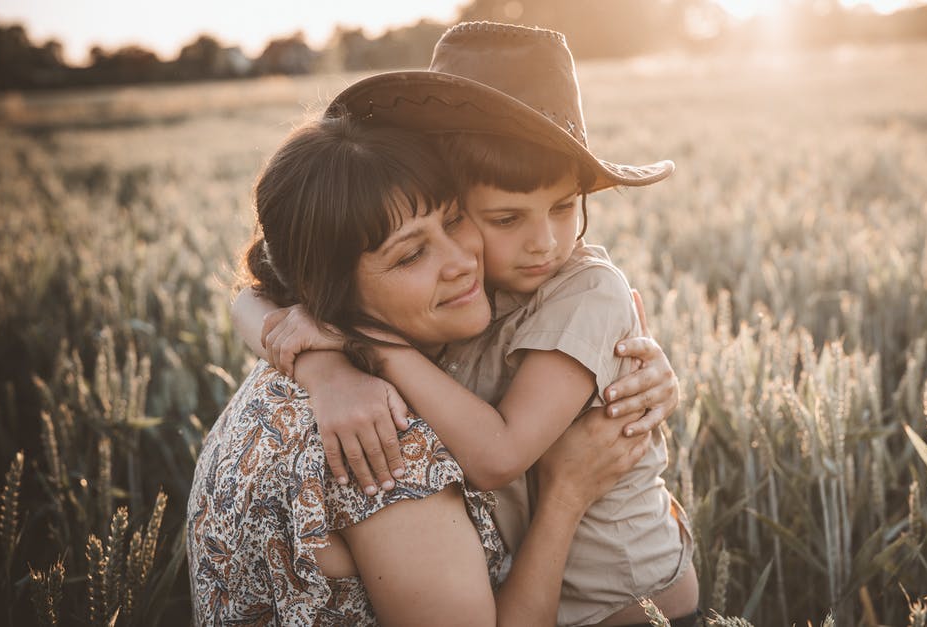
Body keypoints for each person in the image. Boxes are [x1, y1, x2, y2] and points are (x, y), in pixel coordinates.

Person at [236, 22, 699, 626]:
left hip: (629, 605)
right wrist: (325, 368)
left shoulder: (585, 292)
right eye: (505, 219)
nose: (544, 242)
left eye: (564, 208)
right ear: (446, 196)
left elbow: (499, 456)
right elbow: (254, 298)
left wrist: (369, 344)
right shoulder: (466, 289)